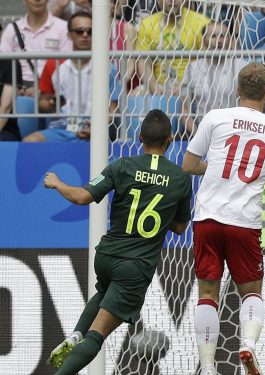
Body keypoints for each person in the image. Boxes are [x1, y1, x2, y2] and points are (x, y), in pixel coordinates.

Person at [182, 62, 265, 375]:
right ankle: (248, 345)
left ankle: (208, 366)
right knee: (251, 293)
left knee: (208, 294)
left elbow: (188, 163)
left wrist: (212, 169)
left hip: (208, 219)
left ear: (237, 90)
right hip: (244, 224)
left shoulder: (215, 118)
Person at [44, 109, 192, 374]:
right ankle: (75, 352)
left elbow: (82, 197)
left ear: (139, 136)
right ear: (171, 138)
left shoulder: (122, 166)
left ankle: (76, 335)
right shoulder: (180, 178)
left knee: (102, 294)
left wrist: (57, 183)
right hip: (135, 267)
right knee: (97, 336)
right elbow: (181, 228)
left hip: (107, 257)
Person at [24, 11, 121, 142]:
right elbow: (42, 103)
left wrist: (96, 127)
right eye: (79, 31)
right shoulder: (54, 64)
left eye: (90, 31)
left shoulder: (108, 67)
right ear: (69, 35)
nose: (85, 35)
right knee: (30, 142)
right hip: (61, 128)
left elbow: (113, 110)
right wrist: (52, 104)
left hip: (96, 129)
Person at [180, 21, 246, 137]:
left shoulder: (241, 67)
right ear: (204, 40)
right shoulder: (193, 68)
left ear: (230, 40)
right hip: (204, 131)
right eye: (213, 36)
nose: (219, 41)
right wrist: (198, 136)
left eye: (223, 36)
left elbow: (250, 108)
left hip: (235, 133)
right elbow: (185, 113)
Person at [135, 0, 211, 95]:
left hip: (192, 85)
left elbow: (207, 62)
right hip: (158, 85)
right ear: (158, 1)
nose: (172, 1)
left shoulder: (201, 23)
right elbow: (143, 62)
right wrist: (154, 88)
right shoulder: (146, 24)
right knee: (136, 94)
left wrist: (184, 86)